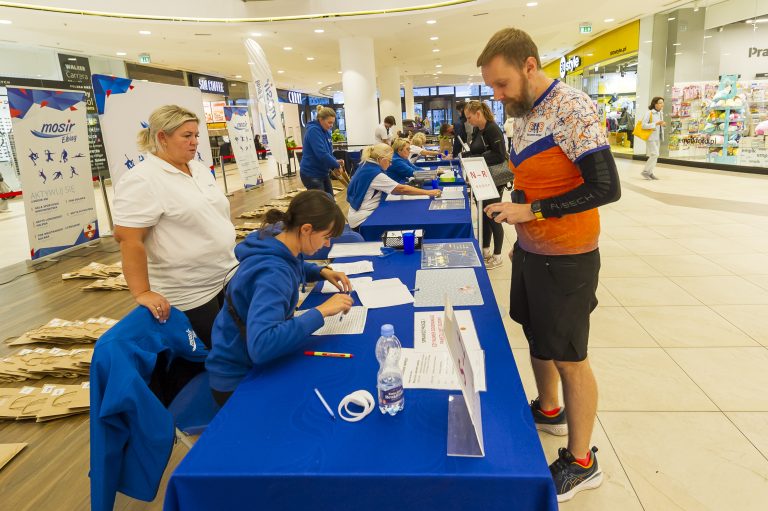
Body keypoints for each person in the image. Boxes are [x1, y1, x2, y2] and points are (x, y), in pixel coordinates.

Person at [478, 28, 620, 502]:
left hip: (569, 257)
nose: (497, 96)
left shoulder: (573, 108)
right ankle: (549, 407)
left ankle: (583, 462)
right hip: (532, 251)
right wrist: (511, 202)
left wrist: (532, 211)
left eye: (501, 84)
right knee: (536, 336)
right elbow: (534, 180)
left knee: (570, 355)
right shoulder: (522, 113)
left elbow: (605, 187)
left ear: (529, 65)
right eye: (492, 88)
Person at [113, 105, 238, 403]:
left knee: (232, 352)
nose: (195, 141)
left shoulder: (197, 168)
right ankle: (209, 419)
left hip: (225, 276)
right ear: (162, 137)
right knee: (211, 362)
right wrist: (142, 291)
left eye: (196, 134)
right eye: (187, 135)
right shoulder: (143, 179)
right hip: (190, 291)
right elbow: (129, 239)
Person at [205, 190, 354, 405]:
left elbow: (292, 262)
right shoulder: (274, 274)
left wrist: (320, 271)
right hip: (237, 379)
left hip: (238, 355)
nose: (327, 245)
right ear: (306, 229)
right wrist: (321, 311)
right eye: (326, 237)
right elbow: (263, 345)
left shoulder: (280, 235)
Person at [346, 143, 441, 229]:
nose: (391, 164)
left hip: (357, 214)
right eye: (389, 161)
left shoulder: (366, 165)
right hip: (363, 220)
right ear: (381, 160)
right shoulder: (375, 173)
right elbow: (402, 189)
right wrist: (428, 192)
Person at [463, 100, 508, 270]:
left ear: (478, 114)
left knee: (494, 215)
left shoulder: (492, 129)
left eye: (469, 117)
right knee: (483, 214)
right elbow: (476, 151)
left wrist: (476, 159)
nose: (468, 121)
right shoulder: (477, 130)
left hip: (494, 179)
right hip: (480, 178)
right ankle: (485, 250)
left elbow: (499, 155)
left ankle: (497, 255)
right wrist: (464, 155)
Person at [300, 106, 344, 196]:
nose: (331, 125)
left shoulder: (326, 131)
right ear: (320, 120)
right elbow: (322, 154)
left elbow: (329, 153)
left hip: (322, 172)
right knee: (321, 204)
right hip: (312, 173)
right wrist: (336, 165)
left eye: (333, 123)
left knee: (330, 200)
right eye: (329, 122)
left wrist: (335, 161)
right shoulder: (313, 131)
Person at [641, 97, 665, 180]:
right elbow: (643, 125)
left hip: (657, 137)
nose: (662, 104)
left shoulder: (661, 113)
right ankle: (645, 171)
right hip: (650, 137)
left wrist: (662, 124)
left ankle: (650, 173)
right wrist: (656, 123)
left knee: (654, 155)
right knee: (655, 154)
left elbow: (658, 124)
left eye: (662, 102)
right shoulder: (649, 113)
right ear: (655, 104)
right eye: (660, 103)